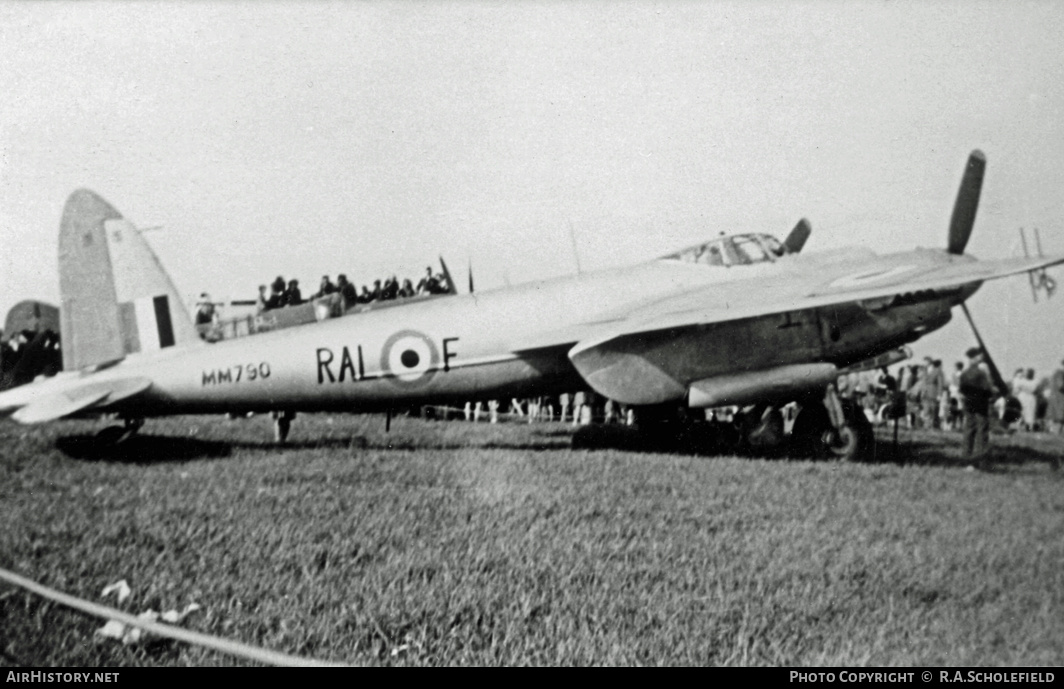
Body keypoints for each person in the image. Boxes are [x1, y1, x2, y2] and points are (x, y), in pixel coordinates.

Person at [959, 347, 995, 467]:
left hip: (968, 403)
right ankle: (981, 459)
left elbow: (962, 389)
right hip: (981, 404)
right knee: (982, 430)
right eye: (980, 356)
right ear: (975, 358)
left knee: (969, 430)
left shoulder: (964, 373)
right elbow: (988, 388)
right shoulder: (982, 372)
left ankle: (966, 458)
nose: (982, 357)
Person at [1047, 359, 1064, 434]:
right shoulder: (1059, 373)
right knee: (1058, 421)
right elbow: (1061, 386)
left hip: (1058, 400)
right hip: (1059, 401)